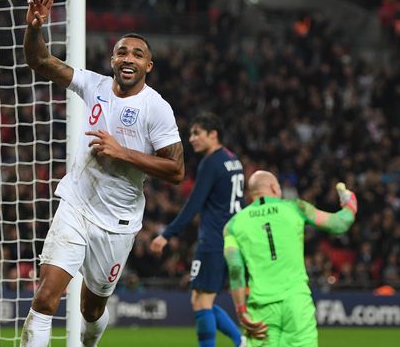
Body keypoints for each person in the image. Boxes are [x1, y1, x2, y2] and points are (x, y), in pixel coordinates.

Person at [19, 0, 185, 347]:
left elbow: (176, 170)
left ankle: (89, 342)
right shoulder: (93, 84)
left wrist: (122, 152)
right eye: (122, 52)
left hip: (117, 222)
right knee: (45, 299)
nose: (129, 58)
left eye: (138, 55)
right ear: (112, 59)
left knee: (91, 310)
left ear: (148, 66)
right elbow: (41, 61)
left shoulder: (156, 108)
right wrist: (34, 29)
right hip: (77, 204)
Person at [223, 171, 358, 346]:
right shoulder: (296, 208)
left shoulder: (233, 225)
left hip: (262, 308)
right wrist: (350, 203)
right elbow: (340, 224)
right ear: (273, 187)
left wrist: (241, 310)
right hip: (297, 303)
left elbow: (235, 268)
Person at [150, 111, 245, 347]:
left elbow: (194, 203)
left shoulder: (211, 163)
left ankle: (237, 341)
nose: (191, 138)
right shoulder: (233, 160)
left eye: (197, 133)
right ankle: (240, 341)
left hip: (213, 240)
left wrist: (167, 234)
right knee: (202, 300)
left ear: (213, 135)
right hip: (232, 239)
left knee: (202, 303)